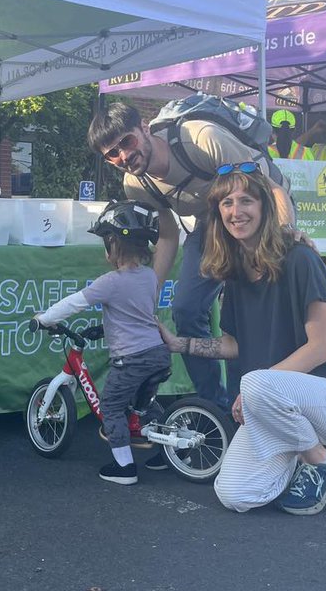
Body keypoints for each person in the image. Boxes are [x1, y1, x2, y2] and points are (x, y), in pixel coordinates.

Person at [158, 167, 326, 515]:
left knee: (255, 383)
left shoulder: (300, 258)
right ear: (218, 214)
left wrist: (258, 390)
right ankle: (296, 450)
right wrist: (178, 344)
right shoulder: (235, 273)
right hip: (278, 403)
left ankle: (320, 461)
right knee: (234, 494)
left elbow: (323, 347)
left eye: (246, 200)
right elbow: (234, 345)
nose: (235, 211)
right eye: (226, 202)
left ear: (266, 208)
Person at [87, 100, 296, 410]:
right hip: (212, 222)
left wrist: (284, 238)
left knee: (249, 313)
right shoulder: (136, 184)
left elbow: (270, 190)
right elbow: (169, 237)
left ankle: (258, 402)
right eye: (112, 155)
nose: (124, 156)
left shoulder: (200, 138)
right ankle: (217, 407)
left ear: (144, 128)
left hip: (260, 213)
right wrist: (148, 295)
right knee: (185, 309)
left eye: (126, 142)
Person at [33, 200, 171, 487]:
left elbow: (73, 304)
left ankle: (124, 467)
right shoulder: (149, 276)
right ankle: (165, 453)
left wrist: (44, 319)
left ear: (113, 245)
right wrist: (105, 328)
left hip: (131, 359)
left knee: (112, 406)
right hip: (158, 353)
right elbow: (135, 314)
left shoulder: (110, 281)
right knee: (144, 405)